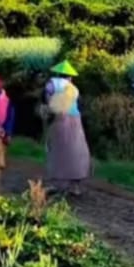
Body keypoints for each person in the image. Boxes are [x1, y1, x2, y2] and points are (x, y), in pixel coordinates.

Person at [42, 60, 91, 196]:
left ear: (58, 73)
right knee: (76, 151)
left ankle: (55, 184)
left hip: (58, 120)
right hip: (75, 121)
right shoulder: (74, 89)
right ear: (70, 76)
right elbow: (77, 104)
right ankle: (75, 187)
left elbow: (48, 101)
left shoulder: (51, 84)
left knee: (56, 150)